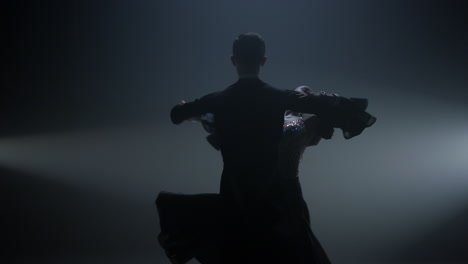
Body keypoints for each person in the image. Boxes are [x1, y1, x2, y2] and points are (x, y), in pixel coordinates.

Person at [162, 32, 375, 264]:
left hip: (236, 198)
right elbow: (326, 107)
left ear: (233, 60)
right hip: (275, 200)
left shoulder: (217, 100)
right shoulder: (279, 97)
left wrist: (190, 110)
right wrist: (322, 99)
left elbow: (176, 114)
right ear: (263, 61)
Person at [157, 85, 334, 264]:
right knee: (285, 233)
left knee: (284, 233)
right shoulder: (291, 122)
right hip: (275, 185)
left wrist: (193, 113)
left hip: (276, 185)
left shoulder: (288, 121)